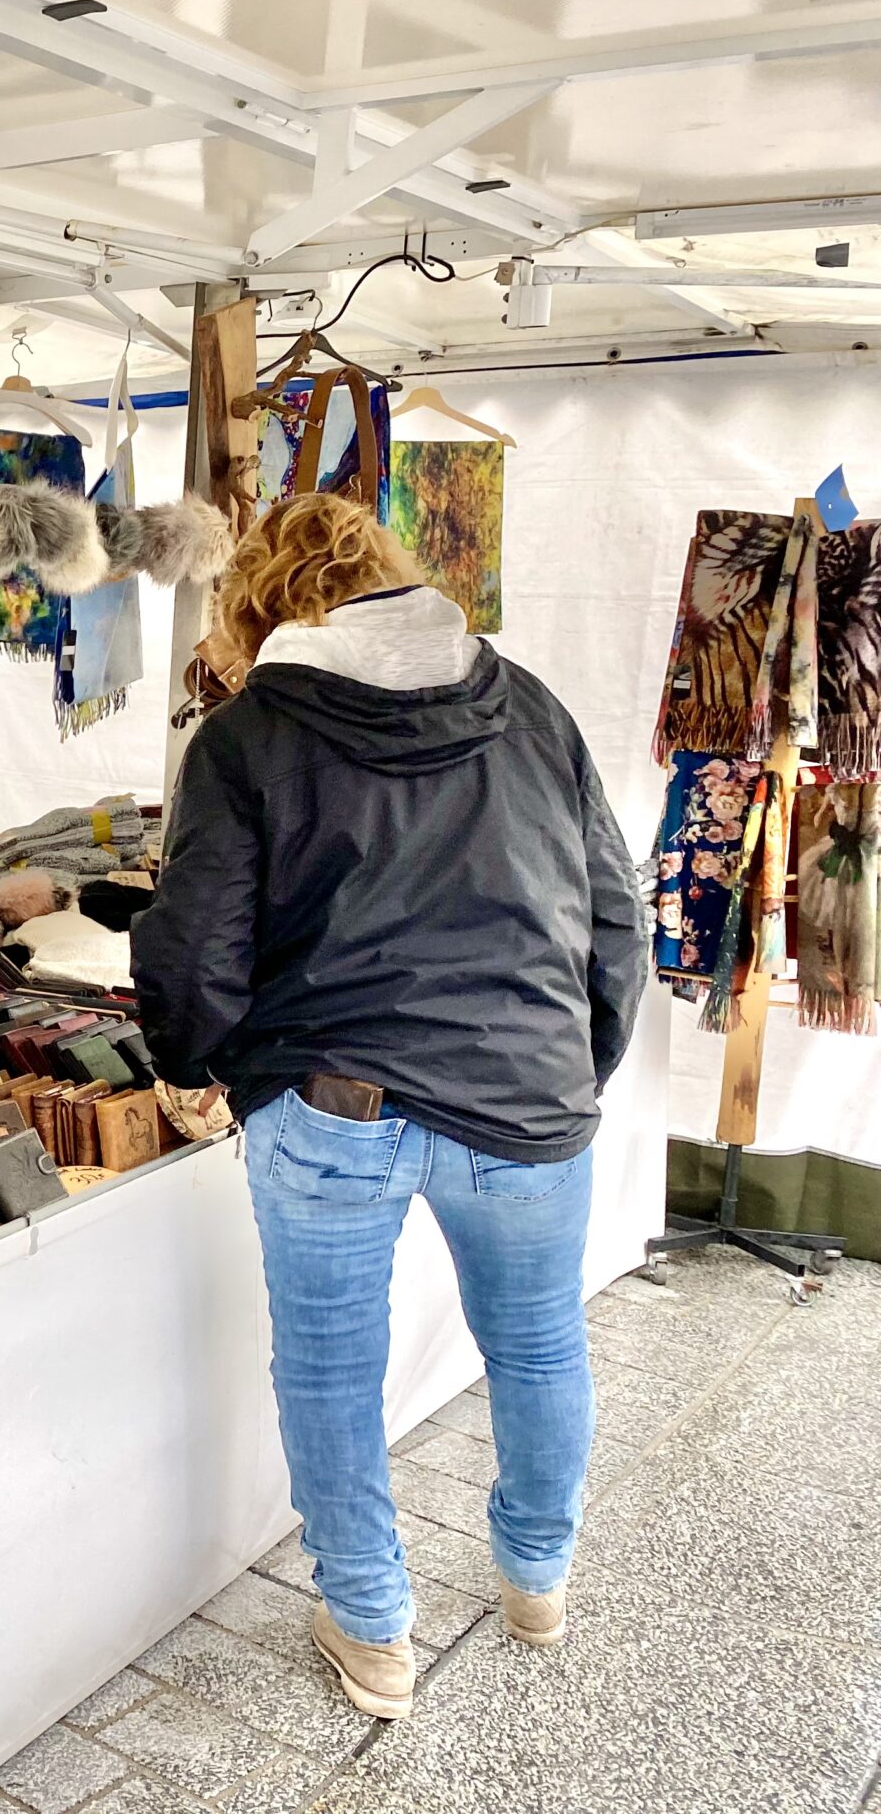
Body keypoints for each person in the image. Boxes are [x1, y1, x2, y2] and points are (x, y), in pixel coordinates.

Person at [131, 493, 646, 1722]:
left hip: (330, 1106)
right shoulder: (529, 707)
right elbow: (611, 915)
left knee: (328, 1371)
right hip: (521, 1095)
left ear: (256, 602)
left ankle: (372, 1633)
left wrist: (195, 1063)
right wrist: (576, 1064)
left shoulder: (245, 735)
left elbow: (196, 950)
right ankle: (536, 1580)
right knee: (535, 1345)